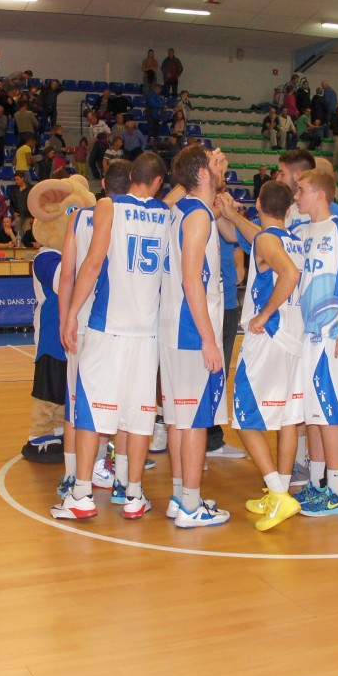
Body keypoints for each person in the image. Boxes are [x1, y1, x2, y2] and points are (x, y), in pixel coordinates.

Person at [55, 153, 168, 522]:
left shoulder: (108, 206)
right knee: (138, 419)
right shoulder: (166, 213)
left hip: (108, 326)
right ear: (157, 183)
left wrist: (71, 313)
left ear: (130, 174)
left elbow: (92, 263)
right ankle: (133, 494)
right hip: (147, 333)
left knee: (91, 411)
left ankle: (82, 493)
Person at [214, 180, 304, 529]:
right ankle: (281, 490)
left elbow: (290, 274)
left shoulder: (267, 241)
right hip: (293, 339)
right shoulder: (289, 238)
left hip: (268, 337)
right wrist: (229, 214)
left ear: (260, 205)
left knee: (245, 418)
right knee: (287, 419)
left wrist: (264, 314)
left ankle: (277, 492)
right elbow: (248, 235)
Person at [154, 146, 230, 528]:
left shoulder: (180, 209)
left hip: (173, 327)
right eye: (214, 162)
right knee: (195, 421)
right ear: (201, 173)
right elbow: (191, 280)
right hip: (191, 330)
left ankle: (180, 495)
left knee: (178, 420)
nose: (221, 164)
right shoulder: (198, 215)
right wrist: (209, 339)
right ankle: (190, 505)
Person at [289, 168, 338, 515]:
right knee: (314, 416)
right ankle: (317, 483)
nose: (296, 196)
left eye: (301, 190)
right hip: (307, 337)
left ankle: (337, 491)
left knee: (330, 414)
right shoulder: (304, 231)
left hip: (331, 337)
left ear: (319, 194)